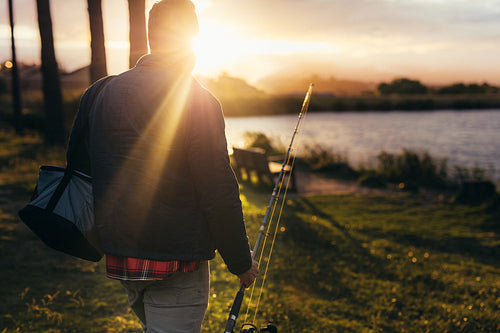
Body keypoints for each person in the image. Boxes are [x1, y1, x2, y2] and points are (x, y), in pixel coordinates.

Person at [67, 0, 258, 332]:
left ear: (152, 35)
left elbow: (79, 168)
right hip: (176, 262)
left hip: (121, 258)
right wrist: (242, 263)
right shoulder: (198, 100)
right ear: (193, 38)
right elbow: (217, 189)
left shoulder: (99, 92)